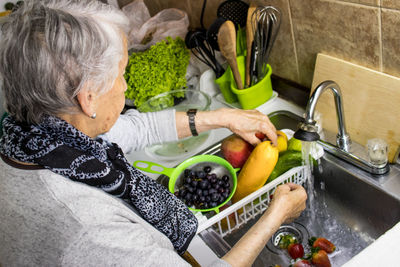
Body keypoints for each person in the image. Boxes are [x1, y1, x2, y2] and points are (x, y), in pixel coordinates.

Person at [0, 1, 307, 266]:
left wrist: (224, 117)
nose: (125, 85)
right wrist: (274, 216)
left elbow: (137, 128)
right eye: (121, 74)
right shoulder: (91, 230)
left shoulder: (39, 136)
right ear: (88, 97)